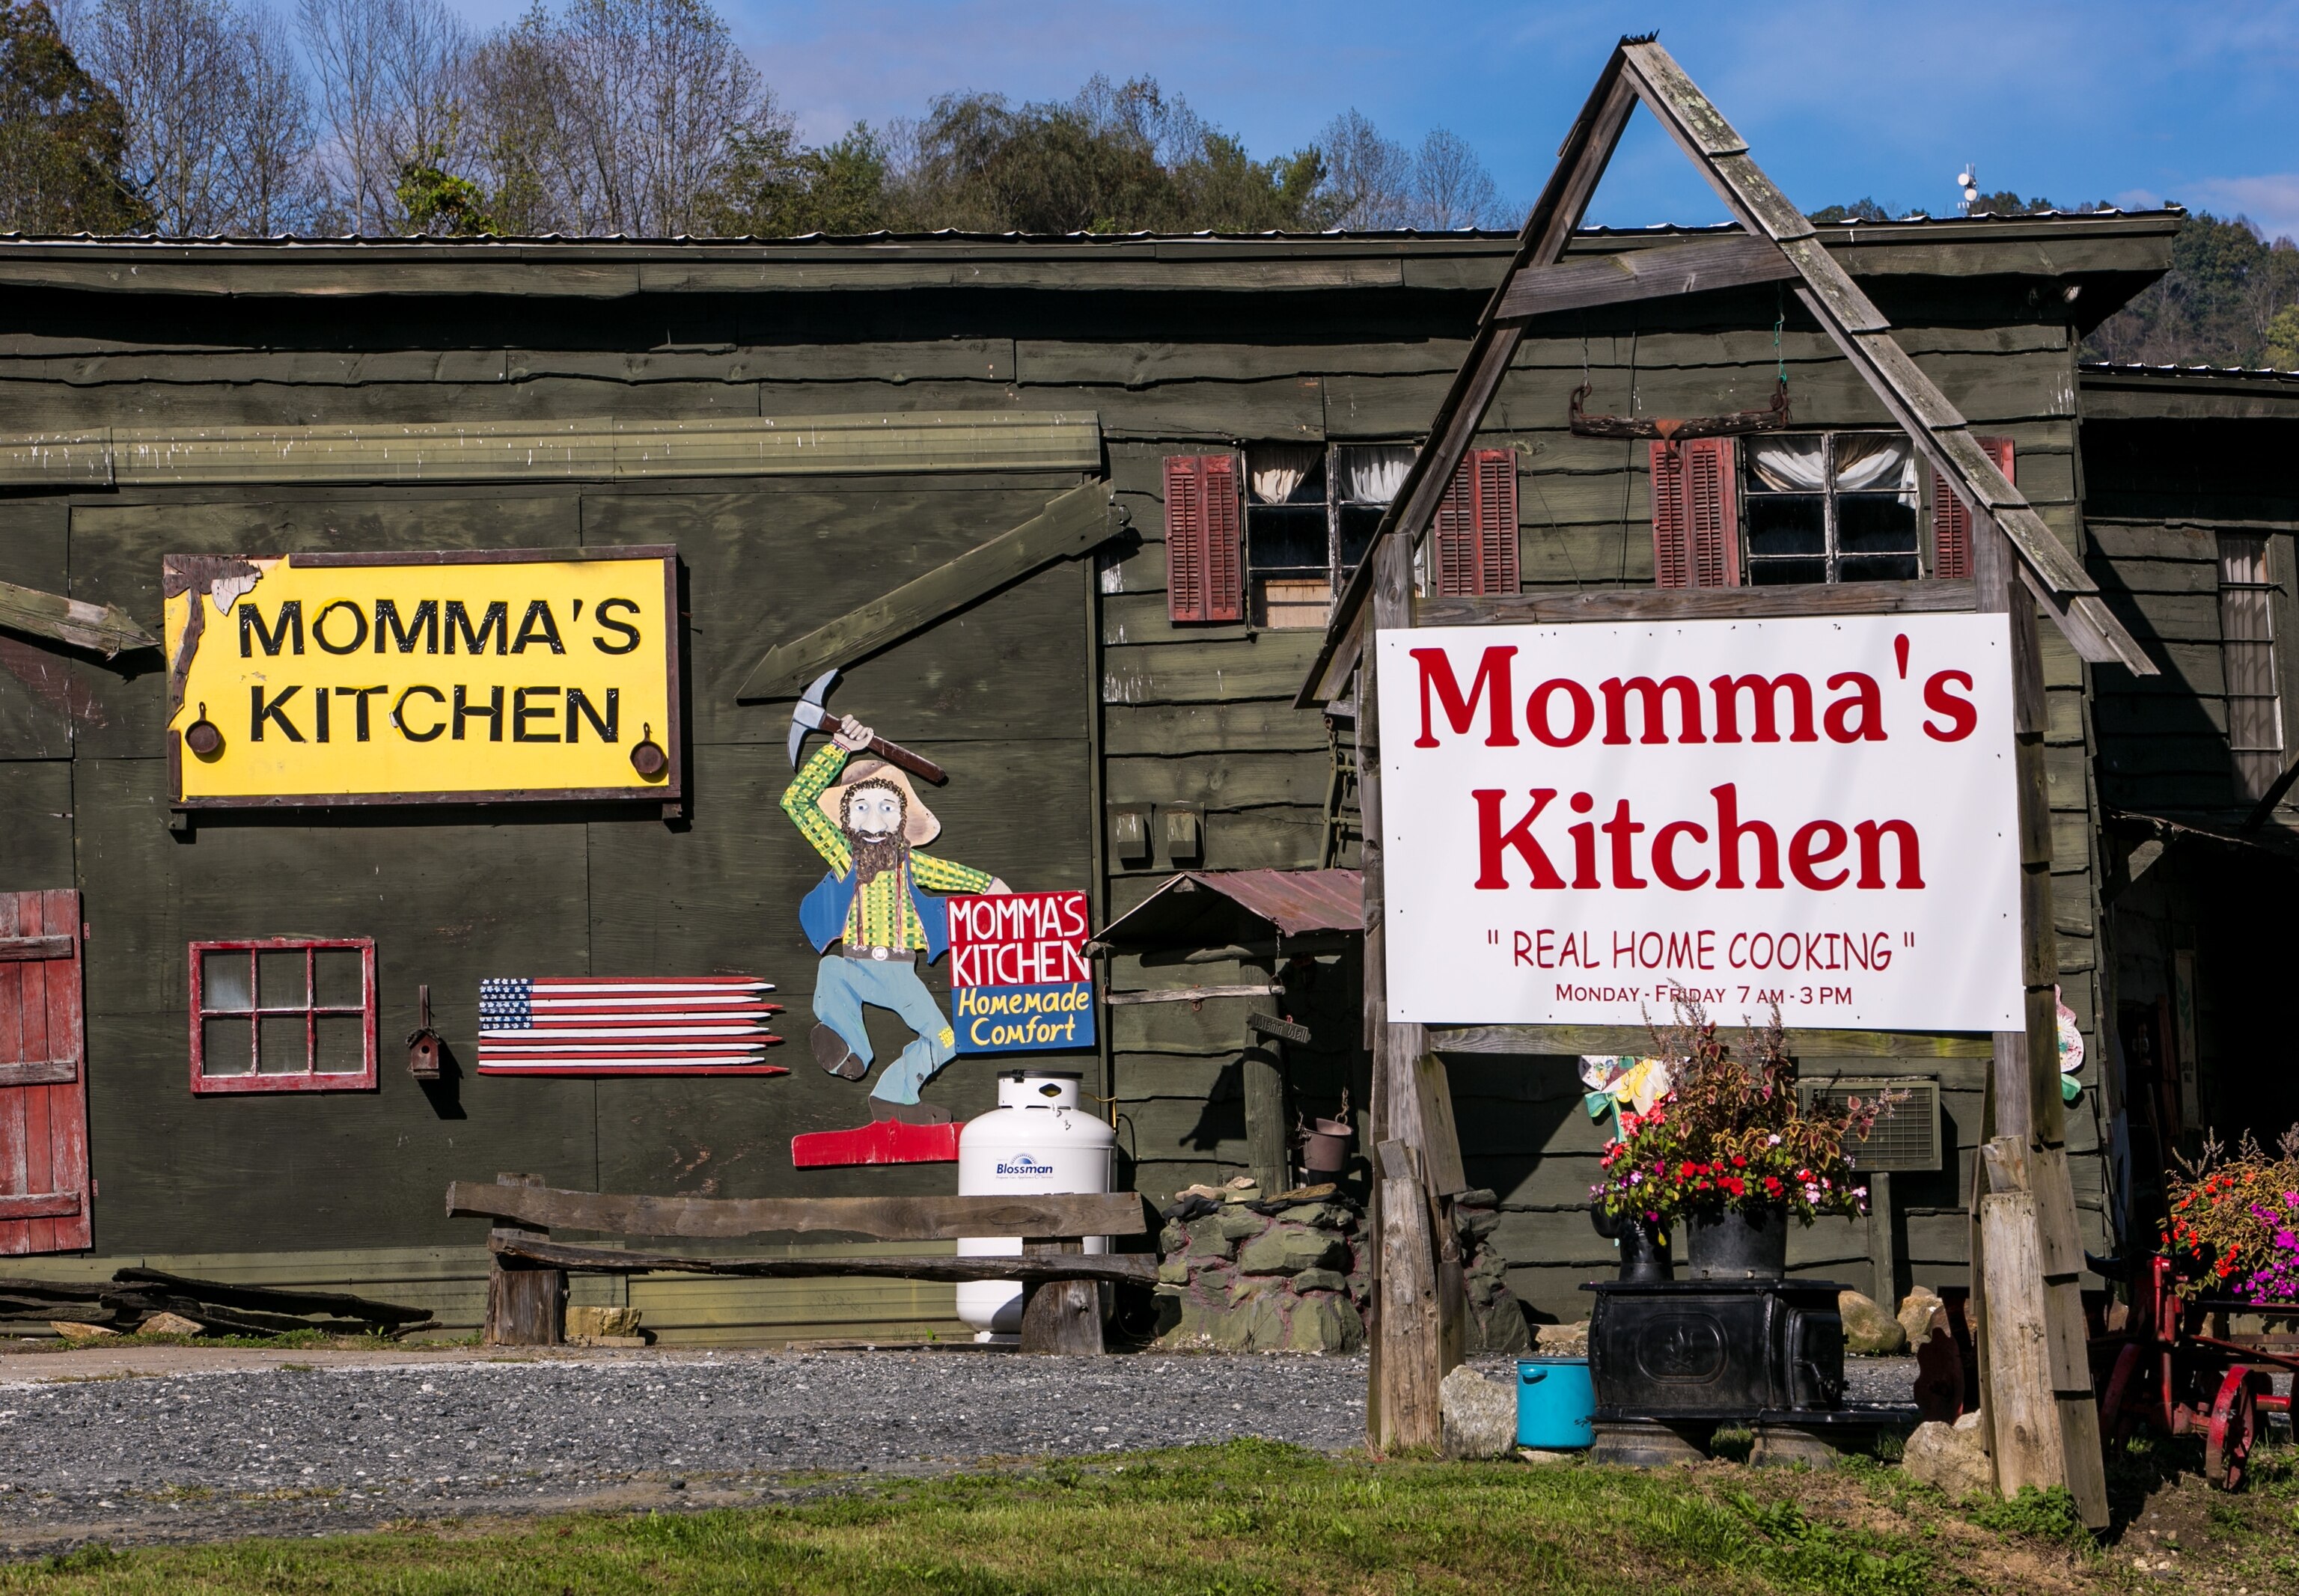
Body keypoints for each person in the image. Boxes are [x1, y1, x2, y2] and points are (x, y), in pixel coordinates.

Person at [781, 714, 1008, 1122]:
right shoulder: (844, 855)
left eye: (887, 808)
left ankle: (891, 1096)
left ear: (902, 819)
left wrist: (988, 885)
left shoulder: (910, 864)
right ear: (845, 819)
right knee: (834, 976)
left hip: (899, 974)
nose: (873, 821)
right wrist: (838, 749)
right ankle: (846, 1041)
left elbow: (949, 873)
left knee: (945, 1039)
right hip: (852, 959)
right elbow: (795, 803)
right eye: (861, 808)